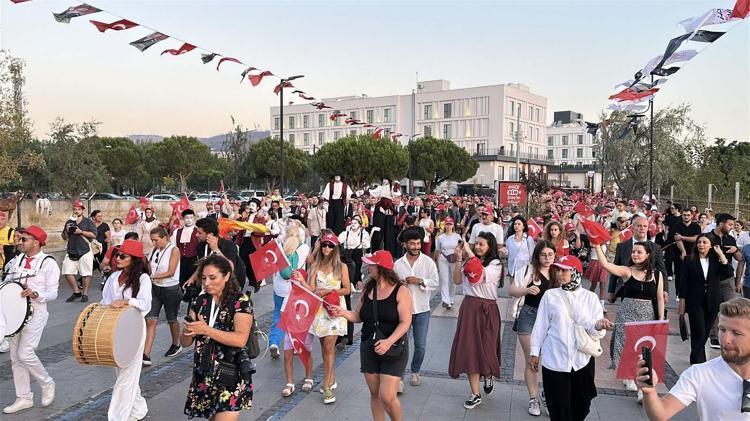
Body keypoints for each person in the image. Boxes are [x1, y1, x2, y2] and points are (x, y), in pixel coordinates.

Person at [331, 250, 413, 421]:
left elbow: (405, 322)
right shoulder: (368, 289)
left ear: (381, 268)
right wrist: (342, 312)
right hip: (369, 346)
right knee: (375, 393)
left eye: (371, 264)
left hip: (394, 348)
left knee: (387, 397)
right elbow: (358, 316)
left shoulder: (401, 291)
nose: (368, 267)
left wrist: (389, 342)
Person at [529, 255, 613, 421]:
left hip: (581, 360)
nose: (560, 274)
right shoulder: (550, 295)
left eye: (564, 270)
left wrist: (598, 326)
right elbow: (540, 326)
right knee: (557, 408)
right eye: (558, 270)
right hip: (555, 360)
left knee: (581, 406)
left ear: (576, 272)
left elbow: (597, 332)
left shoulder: (590, 298)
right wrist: (534, 352)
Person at [637, 297, 750, 420]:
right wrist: (650, 392)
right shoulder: (700, 374)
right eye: (722, 329)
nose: (725, 339)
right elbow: (661, 413)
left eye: (736, 333)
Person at [181, 254, 254, 420]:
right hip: (204, 373)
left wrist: (206, 330)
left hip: (230, 373)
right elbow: (185, 342)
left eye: (212, 278)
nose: (206, 283)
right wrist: (188, 331)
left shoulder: (240, 301)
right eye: (204, 278)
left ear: (226, 276)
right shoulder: (200, 301)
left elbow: (240, 339)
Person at [594, 241, 664, 401]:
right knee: (628, 349)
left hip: (647, 316)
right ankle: (629, 376)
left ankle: (642, 390)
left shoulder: (657, 274)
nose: (635, 255)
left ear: (647, 255)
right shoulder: (627, 271)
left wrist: (660, 319)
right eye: (633, 252)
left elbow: (660, 298)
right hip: (627, 314)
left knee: (644, 352)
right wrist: (597, 245)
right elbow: (605, 265)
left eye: (639, 252)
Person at [1, 226, 59, 414]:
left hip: (36, 312)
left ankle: (47, 382)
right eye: (20, 239)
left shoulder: (48, 263)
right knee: (15, 358)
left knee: (25, 353)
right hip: (14, 313)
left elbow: (53, 293)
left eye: (24, 239)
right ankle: (24, 397)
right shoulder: (17, 259)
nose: (20, 242)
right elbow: (7, 282)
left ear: (36, 242)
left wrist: (35, 294)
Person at [449, 232, 503, 410]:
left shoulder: (495, 264)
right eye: (476, 244)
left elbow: (479, 275)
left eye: (482, 244)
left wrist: (470, 253)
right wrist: (459, 259)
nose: (477, 247)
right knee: (470, 349)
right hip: (470, 307)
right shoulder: (469, 261)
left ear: (490, 246)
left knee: (487, 349)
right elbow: (457, 280)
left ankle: (488, 374)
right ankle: (475, 393)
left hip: (487, 309)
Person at [100, 239, 152, 421]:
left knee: (127, 375)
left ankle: (117, 417)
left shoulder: (143, 279)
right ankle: (138, 409)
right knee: (121, 372)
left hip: (134, 328)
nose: (118, 258)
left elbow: (145, 305)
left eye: (123, 256)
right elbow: (105, 301)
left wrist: (127, 301)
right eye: (117, 255)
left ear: (134, 259)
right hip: (114, 328)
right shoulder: (114, 277)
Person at [509, 240, 556, 416]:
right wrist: (527, 290)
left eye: (550, 254)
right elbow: (512, 290)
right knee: (532, 360)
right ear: (537, 256)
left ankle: (548, 395)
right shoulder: (528, 271)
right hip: (529, 316)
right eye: (543, 255)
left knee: (551, 361)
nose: (547, 258)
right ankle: (533, 398)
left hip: (551, 320)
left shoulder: (558, 272)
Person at [307, 232, 351, 404]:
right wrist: (304, 282)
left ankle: (326, 386)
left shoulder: (342, 267)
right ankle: (331, 378)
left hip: (335, 309)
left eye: (330, 245)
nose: (326, 248)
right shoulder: (315, 265)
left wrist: (329, 291)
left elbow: (347, 289)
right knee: (324, 348)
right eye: (324, 244)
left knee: (328, 347)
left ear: (335, 248)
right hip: (319, 310)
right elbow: (311, 288)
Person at [393, 227, 438, 390]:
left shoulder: (428, 262)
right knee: (400, 345)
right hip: (402, 311)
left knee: (420, 345)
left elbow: (435, 282)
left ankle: (415, 371)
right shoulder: (398, 264)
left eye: (418, 243)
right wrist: (398, 284)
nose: (416, 247)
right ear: (405, 244)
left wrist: (420, 281)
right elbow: (390, 285)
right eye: (412, 244)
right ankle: (399, 377)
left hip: (422, 310)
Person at [679, 234, 732, 364]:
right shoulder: (689, 260)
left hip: (712, 300)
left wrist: (721, 255)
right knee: (699, 332)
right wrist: (682, 301)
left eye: (704, 242)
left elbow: (728, 273)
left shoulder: (716, 260)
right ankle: (697, 362)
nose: (701, 245)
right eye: (699, 242)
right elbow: (683, 282)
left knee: (705, 332)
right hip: (694, 301)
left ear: (711, 245)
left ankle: (697, 359)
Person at [143, 227, 183, 366]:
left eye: (156, 240)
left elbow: (171, 271)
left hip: (170, 288)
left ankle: (176, 344)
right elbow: (150, 265)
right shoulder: (155, 250)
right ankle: (146, 354)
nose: (154, 243)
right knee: (151, 320)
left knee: (171, 318)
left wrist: (154, 276)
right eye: (152, 240)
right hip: (155, 288)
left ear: (164, 238)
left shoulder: (174, 250)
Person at [270, 220, 309, 359]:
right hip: (295, 287)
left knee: (278, 315)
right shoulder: (303, 248)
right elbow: (309, 261)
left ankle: (274, 342)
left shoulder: (279, 246)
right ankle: (295, 344)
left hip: (279, 287)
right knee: (296, 317)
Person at [707, 213, 744, 348]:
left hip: (728, 277)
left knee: (731, 308)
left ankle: (731, 334)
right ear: (721, 224)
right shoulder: (708, 237)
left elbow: (740, 258)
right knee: (714, 308)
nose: (732, 227)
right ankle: (714, 336)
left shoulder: (730, 239)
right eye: (730, 224)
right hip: (712, 278)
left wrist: (735, 250)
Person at [184, 218, 245, 290]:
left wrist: (216, 250)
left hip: (230, 283)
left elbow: (230, 267)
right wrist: (193, 278)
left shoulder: (228, 245)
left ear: (210, 235)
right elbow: (202, 264)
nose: (196, 235)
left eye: (200, 233)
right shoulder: (201, 246)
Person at [338, 215, 371, 348]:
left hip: (356, 255)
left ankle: (347, 336)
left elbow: (367, 247)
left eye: (356, 221)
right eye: (352, 221)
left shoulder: (364, 234)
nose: (354, 224)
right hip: (346, 254)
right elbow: (338, 241)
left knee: (347, 303)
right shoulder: (345, 233)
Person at [61, 200, 97, 303]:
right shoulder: (69, 222)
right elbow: (64, 237)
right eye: (75, 209)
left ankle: (85, 294)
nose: (76, 211)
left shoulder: (88, 222)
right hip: (71, 250)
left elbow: (94, 235)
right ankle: (76, 292)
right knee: (67, 272)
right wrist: (67, 230)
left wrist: (81, 231)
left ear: (82, 210)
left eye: (79, 209)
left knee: (86, 274)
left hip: (85, 250)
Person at [434, 216, 462, 309]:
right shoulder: (440, 237)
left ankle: (451, 297)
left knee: (453, 280)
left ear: (453, 225)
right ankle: (445, 300)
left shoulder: (457, 236)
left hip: (454, 259)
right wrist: (435, 261)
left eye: (450, 224)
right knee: (444, 279)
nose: (448, 226)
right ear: (444, 225)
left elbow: (461, 247)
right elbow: (437, 250)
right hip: (443, 259)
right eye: (447, 224)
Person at [171, 209, 200, 294]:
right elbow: (173, 247)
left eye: (191, 218)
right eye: (187, 218)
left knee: (192, 283)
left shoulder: (198, 232)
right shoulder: (177, 232)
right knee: (180, 280)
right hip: (180, 261)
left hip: (193, 261)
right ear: (183, 219)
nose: (189, 220)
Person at [91, 210, 111, 276]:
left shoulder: (104, 225)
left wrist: (108, 251)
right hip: (92, 249)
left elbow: (108, 239)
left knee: (101, 265)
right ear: (93, 217)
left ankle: (107, 277)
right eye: (98, 216)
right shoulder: (90, 225)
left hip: (102, 249)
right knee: (94, 264)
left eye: (101, 216)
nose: (100, 217)